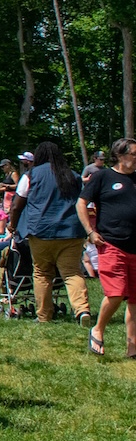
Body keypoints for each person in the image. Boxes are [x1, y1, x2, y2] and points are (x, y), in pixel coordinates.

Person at [18, 138, 91, 328]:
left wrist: (13, 224)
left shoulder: (31, 175)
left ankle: (44, 315)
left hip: (41, 231)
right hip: (71, 231)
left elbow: (18, 203)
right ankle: (82, 309)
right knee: (72, 272)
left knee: (42, 273)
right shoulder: (73, 175)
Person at [81, 138, 136, 358]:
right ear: (121, 155)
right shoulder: (102, 177)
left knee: (135, 299)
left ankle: (133, 348)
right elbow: (81, 203)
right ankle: (98, 329)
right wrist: (90, 232)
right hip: (112, 243)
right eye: (133, 154)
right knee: (116, 293)